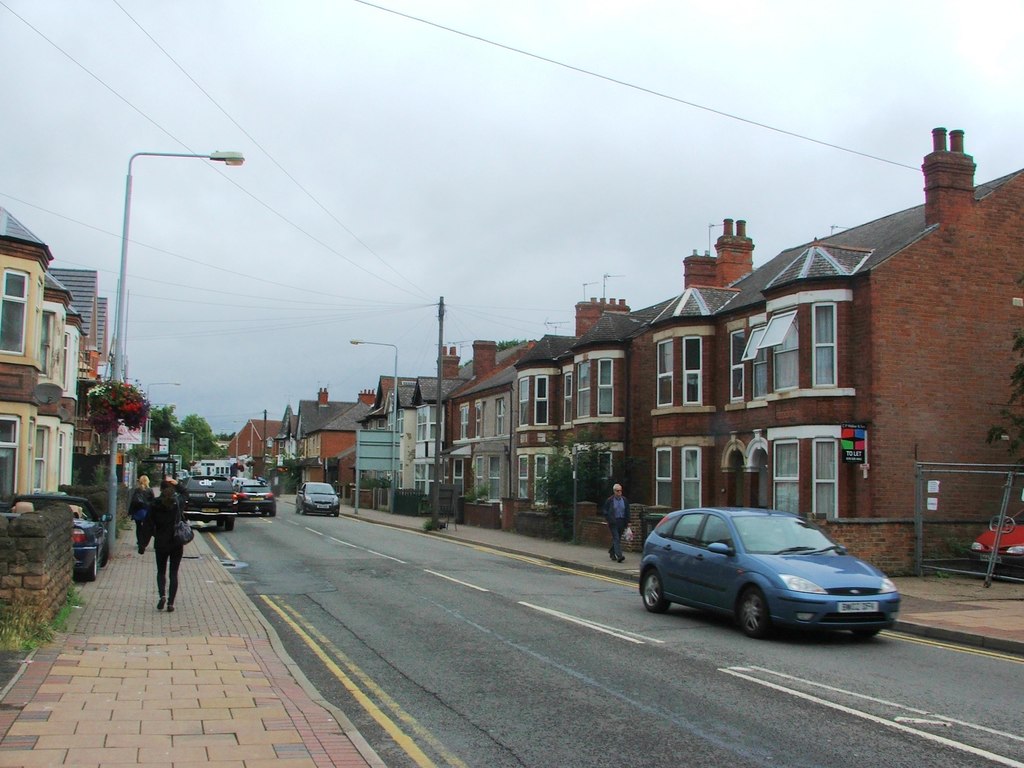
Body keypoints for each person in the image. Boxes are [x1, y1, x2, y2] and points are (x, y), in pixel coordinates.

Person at [140, 479, 186, 613]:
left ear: (160, 490)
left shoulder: (154, 504)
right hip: (176, 542)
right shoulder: (178, 502)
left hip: (161, 542)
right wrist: (177, 483)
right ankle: (171, 603)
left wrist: (143, 544)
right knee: (174, 572)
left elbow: (147, 526)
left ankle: (162, 596)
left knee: (161, 571)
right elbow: (185, 492)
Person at [602, 483, 630, 563]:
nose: (619, 492)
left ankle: (611, 552)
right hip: (613, 522)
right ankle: (619, 556)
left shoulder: (624, 500)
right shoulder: (610, 500)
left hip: (622, 521)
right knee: (616, 538)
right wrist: (609, 519)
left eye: (620, 491)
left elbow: (627, 511)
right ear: (614, 491)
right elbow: (605, 511)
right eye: (618, 491)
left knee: (618, 539)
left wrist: (628, 522)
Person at [129, 475, 154, 554]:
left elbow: (133, 502)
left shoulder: (137, 490)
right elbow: (153, 502)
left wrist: (130, 512)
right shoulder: (150, 490)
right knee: (147, 528)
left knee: (138, 527)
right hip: (147, 511)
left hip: (138, 511)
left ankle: (140, 542)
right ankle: (144, 542)